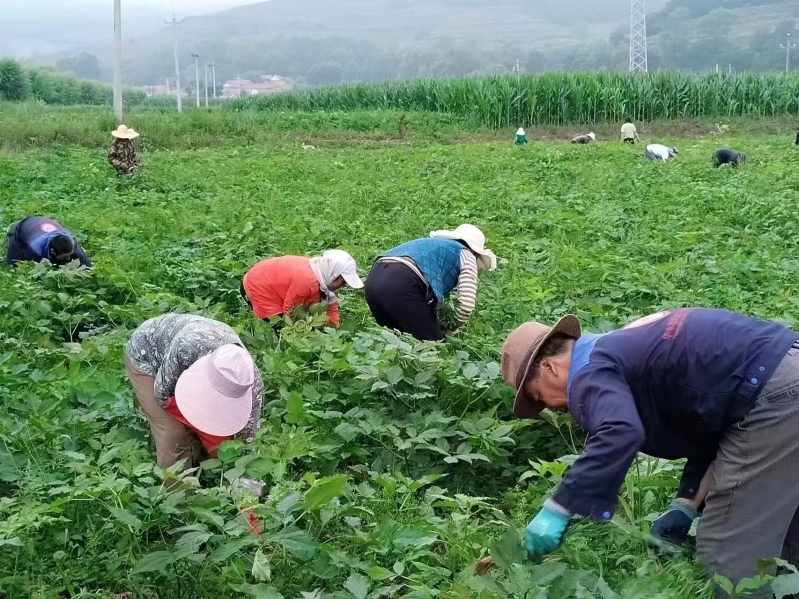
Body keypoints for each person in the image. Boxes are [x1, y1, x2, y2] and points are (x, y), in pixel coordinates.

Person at [500, 308, 799, 598]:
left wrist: (559, 507)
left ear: (549, 367)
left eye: (538, 396)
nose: (551, 408)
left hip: (774, 393)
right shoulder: (621, 349)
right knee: (783, 533)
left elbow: (619, 431)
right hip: (785, 369)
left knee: (728, 555)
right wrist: (686, 503)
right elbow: (714, 422)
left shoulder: (589, 373)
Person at [125, 313, 264, 470]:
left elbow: (247, 441)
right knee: (173, 434)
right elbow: (163, 394)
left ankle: (200, 459)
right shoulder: (187, 347)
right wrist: (200, 427)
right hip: (146, 354)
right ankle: (178, 491)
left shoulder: (251, 384)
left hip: (182, 350)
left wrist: (246, 479)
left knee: (218, 433)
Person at [364, 224, 496, 342]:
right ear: (476, 253)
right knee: (433, 345)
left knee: (395, 340)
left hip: (373, 279)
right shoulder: (467, 254)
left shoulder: (433, 245)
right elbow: (466, 304)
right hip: (403, 282)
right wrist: (451, 329)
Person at [241, 249, 363, 327]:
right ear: (333, 274)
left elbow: (332, 310)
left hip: (274, 285)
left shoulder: (324, 278)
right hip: (258, 285)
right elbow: (289, 310)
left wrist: (333, 331)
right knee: (277, 326)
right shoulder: (308, 281)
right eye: (343, 281)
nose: (344, 285)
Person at [5, 216, 91, 267]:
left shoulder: (71, 244)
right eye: (64, 257)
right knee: (16, 265)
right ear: (53, 251)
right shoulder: (35, 248)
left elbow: (86, 266)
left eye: (70, 255)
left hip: (39, 224)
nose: (69, 259)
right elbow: (32, 269)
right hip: (20, 229)